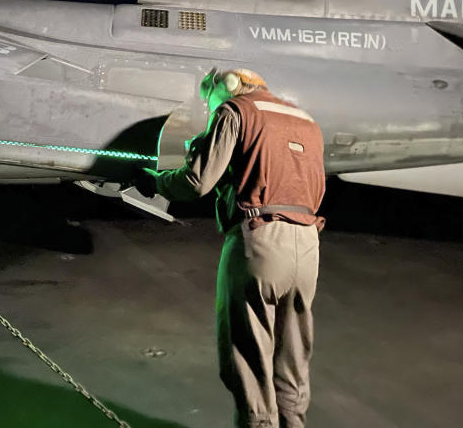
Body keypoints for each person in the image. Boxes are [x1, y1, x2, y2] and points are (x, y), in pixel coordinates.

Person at [136, 68, 325, 428]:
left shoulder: (235, 111)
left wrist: (156, 182)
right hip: (308, 245)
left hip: (261, 240)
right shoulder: (305, 120)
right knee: (293, 355)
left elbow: (196, 181)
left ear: (228, 86)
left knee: (249, 355)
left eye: (210, 100)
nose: (211, 109)